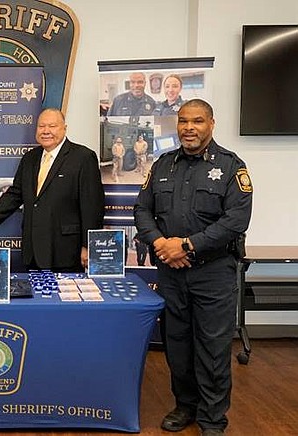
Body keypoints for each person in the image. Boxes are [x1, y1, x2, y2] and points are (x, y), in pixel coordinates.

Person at [134, 99, 253, 436]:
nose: (189, 128)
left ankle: (213, 418)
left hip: (213, 272)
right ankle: (185, 405)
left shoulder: (232, 166)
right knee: (177, 344)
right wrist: (160, 244)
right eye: (184, 121)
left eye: (197, 121)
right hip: (171, 272)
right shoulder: (163, 165)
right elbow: (142, 210)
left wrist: (186, 245)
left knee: (213, 348)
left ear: (211, 124)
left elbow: (235, 221)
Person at [0, 108, 105, 272]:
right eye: (41, 126)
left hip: (66, 252)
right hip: (33, 251)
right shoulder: (30, 158)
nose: (46, 131)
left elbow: (92, 207)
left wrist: (88, 245)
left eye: (52, 126)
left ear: (64, 128)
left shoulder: (83, 157)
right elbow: (16, 194)